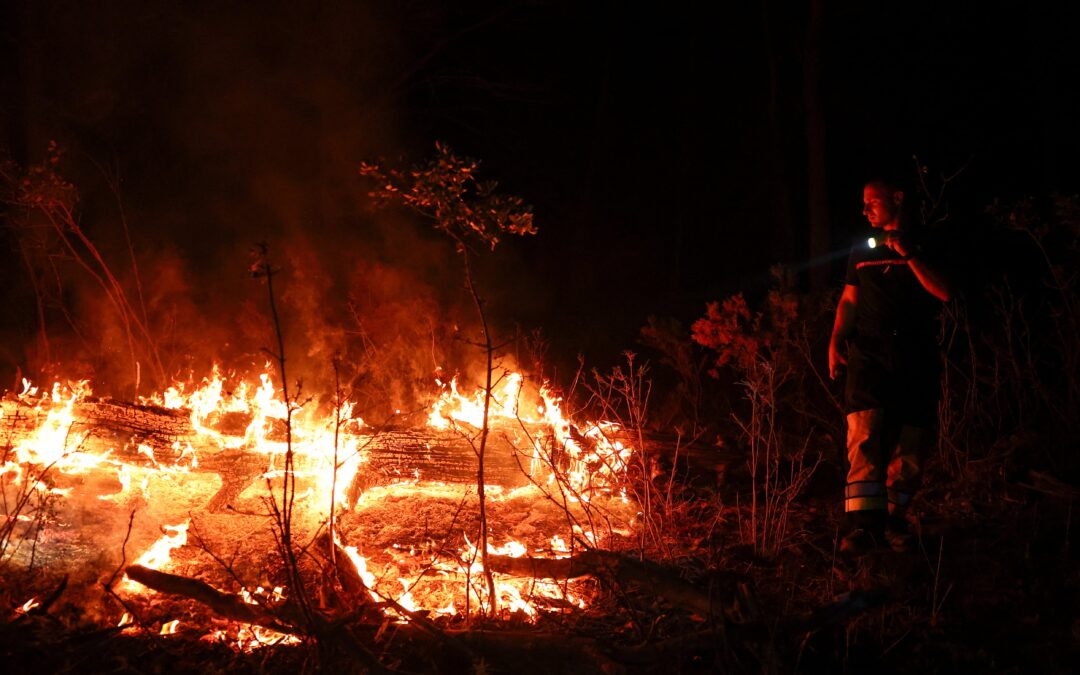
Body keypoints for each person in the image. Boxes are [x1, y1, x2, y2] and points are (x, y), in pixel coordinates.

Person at [828, 178, 953, 555]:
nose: (865, 210)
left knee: (910, 442)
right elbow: (850, 299)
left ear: (897, 199)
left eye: (873, 202)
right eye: (863, 203)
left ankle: (893, 523)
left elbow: (944, 292)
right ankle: (862, 530)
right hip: (868, 353)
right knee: (863, 434)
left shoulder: (926, 242)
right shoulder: (860, 249)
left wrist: (910, 253)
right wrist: (835, 341)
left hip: (915, 353)